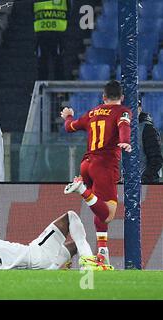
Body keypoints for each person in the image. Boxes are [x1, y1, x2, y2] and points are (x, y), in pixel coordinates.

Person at [60, 80, 132, 265]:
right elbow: (124, 126)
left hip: (86, 164)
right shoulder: (122, 111)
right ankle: (81, 189)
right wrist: (126, 141)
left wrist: (68, 116)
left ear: (104, 97)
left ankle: (102, 252)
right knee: (108, 214)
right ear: (122, 97)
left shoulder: (92, 112)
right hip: (104, 166)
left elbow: (70, 127)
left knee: (98, 207)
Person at [0, 211, 113, 270]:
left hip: (37, 268)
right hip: (36, 253)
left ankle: (64, 265)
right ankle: (90, 262)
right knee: (70, 217)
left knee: (70, 248)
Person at [33, 0, 71, 80]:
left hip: (52, 35)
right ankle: (44, 89)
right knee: (45, 65)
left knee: (56, 65)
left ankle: (58, 91)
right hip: (48, 34)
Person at [138, 99, 163, 183]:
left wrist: (145, 179)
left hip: (144, 186)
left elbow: (156, 160)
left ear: (140, 109)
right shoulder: (118, 129)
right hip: (122, 185)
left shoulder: (147, 129)